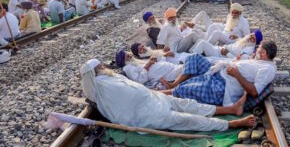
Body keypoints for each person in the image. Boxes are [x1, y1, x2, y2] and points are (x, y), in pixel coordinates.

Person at [81, 58, 255, 132]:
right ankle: (230, 124)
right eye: (100, 67)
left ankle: (230, 108)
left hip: (153, 99)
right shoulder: (100, 90)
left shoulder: (109, 77)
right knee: (186, 119)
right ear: (94, 73)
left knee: (189, 104)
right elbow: (118, 111)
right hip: (147, 114)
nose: (103, 66)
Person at [161, 41, 277, 107]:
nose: (256, 51)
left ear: (263, 53)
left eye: (258, 50)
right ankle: (174, 84)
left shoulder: (268, 69)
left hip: (222, 85)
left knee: (185, 89)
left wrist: (237, 74)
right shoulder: (260, 61)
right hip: (218, 72)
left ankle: (157, 94)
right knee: (194, 58)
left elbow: (254, 92)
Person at [115, 49, 183, 89]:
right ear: (123, 60)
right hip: (168, 74)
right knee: (189, 63)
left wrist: (152, 60)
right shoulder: (127, 68)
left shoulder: (135, 62)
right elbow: (140, 81)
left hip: (171, 68)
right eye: (127, 56)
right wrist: (147, 66)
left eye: (129, 54)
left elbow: (148, 64)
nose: (130, 56)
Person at [190, 30, 263, 59]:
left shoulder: (249, 50)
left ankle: (189, 59)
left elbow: (238, 59)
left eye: (254, 38)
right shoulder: (246, 41)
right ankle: (190, 54)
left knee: (203, 43)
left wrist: (227, 53)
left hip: (222, 55)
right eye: (252, 35)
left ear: (256, 42)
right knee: (200, 40)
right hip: (220, 49)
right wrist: (237, 38)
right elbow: (240, 43)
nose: (252, 38)